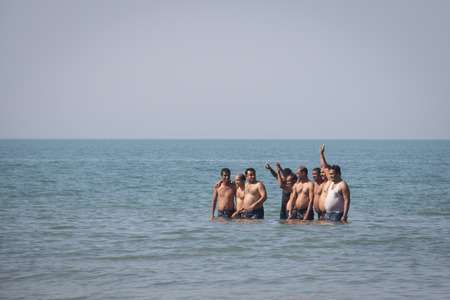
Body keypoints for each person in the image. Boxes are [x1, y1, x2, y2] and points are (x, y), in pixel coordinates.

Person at [320, 144, 351, 222]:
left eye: (332, 174)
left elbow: (347, 201)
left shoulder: (343, 185)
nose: (330, 176)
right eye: (329, 174)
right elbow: (325, 167)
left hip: (337, 215)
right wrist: (321, 155)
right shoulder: (331, 182)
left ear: (338, 174)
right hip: (328, 214)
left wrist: (345, 215)